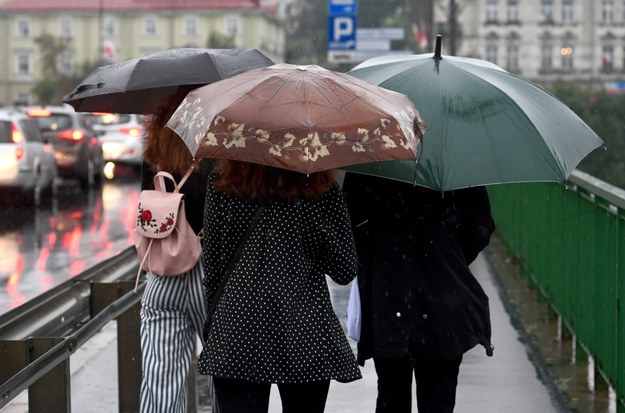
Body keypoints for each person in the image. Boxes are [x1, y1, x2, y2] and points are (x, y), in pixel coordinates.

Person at [199, 160, 362, 413]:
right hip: (305, 330)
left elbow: (212, 268)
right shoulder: (320, 188)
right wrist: (316, 221)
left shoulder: (223, 183)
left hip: (238, 328)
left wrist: (215, 325)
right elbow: (344, 270)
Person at [342, 172, 496, 413]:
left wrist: (381, 252)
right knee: (439, 397)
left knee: (391, 394)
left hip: (388, 298)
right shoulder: (455, 161)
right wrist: (448, 256)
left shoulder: (374, 154)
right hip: (443, 301)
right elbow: (480, 228)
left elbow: (350, 223)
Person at [139, 92, 214, 413]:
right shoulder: (215, 155)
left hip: (161, 275)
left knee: (161, 382)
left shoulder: (154, 155)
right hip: (209, 279)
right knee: (223, 378)